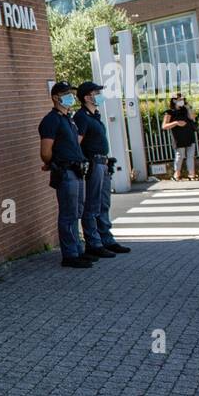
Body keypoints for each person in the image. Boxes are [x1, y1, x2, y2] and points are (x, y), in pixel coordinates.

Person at [39, 81, 94, 268]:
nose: (70, 96)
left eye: (71, 93)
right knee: (68, 214)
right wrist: (51, 163)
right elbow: (46, 150)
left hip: (77, 171)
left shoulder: (68, 118)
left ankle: (77, 250)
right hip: (66, 172)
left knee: (77, 211)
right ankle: (70, 255)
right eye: (66, 93)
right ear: (56, 97)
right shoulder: (51, 120)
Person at [73, 82, 131, 257]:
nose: (99, 94)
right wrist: (85, 162)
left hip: (102, 163)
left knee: (103, 203)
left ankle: (106, 239)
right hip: (93, 164)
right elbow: (76, 143)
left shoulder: (94, 115)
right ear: (87, 97)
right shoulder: (82, 117)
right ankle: (94, 243)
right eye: (96, 92)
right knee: (92, 204)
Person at [161, 93, 198, 180]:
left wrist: (188, 108)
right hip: (178, 136)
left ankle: (191, 175)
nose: (182, 101)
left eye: (182, 99)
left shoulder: (185, 109)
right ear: (174, 101)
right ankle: (176, 175)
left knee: (191, 155)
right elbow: (164, 126)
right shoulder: (169, 112)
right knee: (180, 155)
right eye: (179, 99)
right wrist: (176, 123)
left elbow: (192, 118)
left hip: (189, 134)